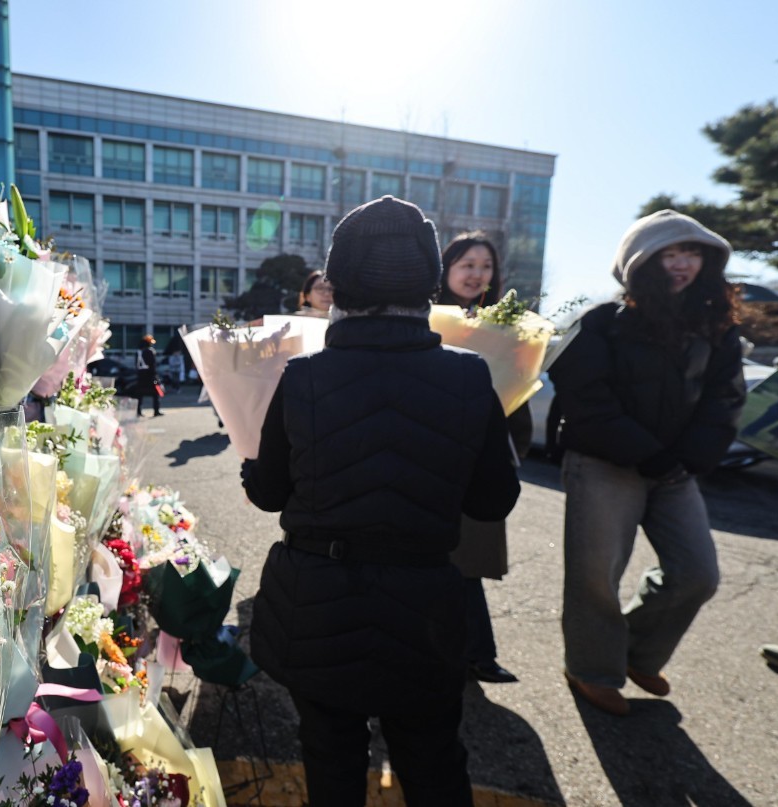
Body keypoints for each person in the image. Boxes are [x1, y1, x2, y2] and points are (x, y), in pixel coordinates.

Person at [243, 196, 520, 807]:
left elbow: (268, 495)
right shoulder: (471, 374)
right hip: (425, 606)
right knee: (434, 761)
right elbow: (493, 500)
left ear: (338, 284)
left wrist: (248, 459)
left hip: (319, 603)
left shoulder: (303, 376)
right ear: (428, 283)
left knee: (330, 757)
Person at [549, 209, 746, 716]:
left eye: (693, 252)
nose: (682, 264)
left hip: (676, 471)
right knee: (596, 578)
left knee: (697, 574)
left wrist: (693, 456)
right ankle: (592, 670)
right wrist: (648, 453)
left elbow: (725, 398)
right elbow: (585, 400)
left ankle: (636, 653)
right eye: (669, 253)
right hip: (603, 463)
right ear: (639, 263)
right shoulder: (602, 321)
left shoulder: (716, 327)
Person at [438, 232, 528, 684]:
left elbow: (519, 391)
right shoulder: (425, 317)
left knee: (467, 559)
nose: (477, 274)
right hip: (430, 451)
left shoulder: (506, 326)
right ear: (447, 268)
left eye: (486, 266)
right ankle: (464, 651)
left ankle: (477, 653)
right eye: (467, 264)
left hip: (480, 454)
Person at [135, 334, 162, 417]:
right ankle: (156, 410)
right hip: (150, 375)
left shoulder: (138, 352)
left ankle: (138, 411)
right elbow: (152, 364)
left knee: (140, 394)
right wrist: (155, 376)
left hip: (140, 375)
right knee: (156, 392)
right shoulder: (150, 351)